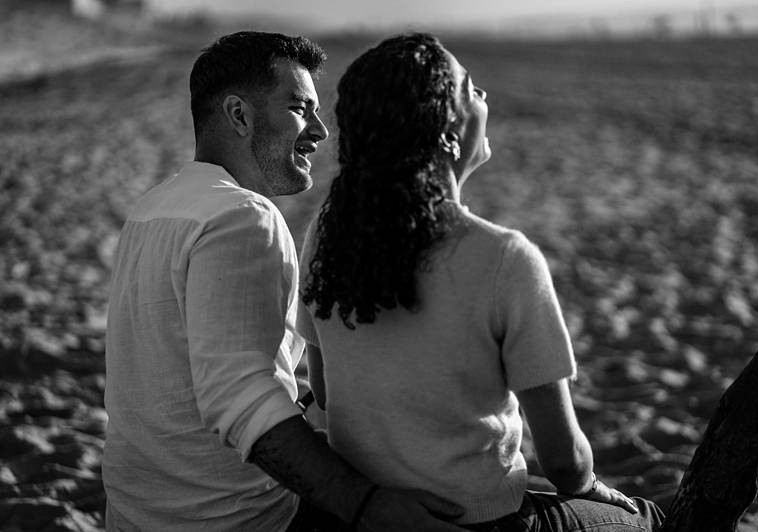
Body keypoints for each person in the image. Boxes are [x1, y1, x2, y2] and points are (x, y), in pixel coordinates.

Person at [297, 33, 663, 530]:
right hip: (477, 519)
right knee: (650, 518)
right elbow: (563, 463)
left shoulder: (328, 231)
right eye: (471, 89)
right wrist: (595, 489)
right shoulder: (503, 259)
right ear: (449, 129)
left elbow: (323, 389)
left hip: (365, 514)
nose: (483, 98)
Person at [104, 31, 464, 531]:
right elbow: (239, 396)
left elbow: (186, 381)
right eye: (300, 108)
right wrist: (365, 505)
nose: (321, 131)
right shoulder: (243, 216)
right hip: (244, 519)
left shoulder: (153, 208)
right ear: (239, 116)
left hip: (137, 515)